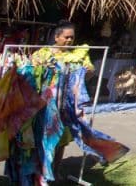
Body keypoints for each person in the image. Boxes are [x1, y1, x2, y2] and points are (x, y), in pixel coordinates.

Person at [32, 20, 94, 179]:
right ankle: (40, 171)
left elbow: (89, 74)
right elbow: (32, 72)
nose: (69, 40)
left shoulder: (77, 55)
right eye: (66, 37)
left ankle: (56, 170)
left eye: (72, 38)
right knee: (42, 137)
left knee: (62, 139)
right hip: (44, 104)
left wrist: (87, 71)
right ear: (56, 37)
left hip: (66, 106)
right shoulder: (43, 53)